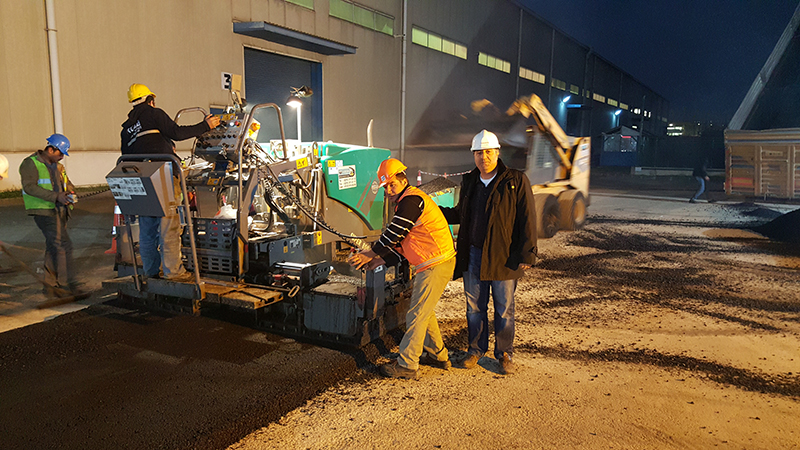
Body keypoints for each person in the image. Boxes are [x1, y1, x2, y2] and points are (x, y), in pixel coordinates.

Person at [439, 130, 537, 375]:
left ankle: (504, 354)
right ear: (473, 155)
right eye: (479, 153)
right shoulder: (470, 181)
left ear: (497, 152)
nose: (484, 157)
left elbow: (527, 217)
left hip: (504, 256)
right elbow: (461, 213)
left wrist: (527, 253)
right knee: (474, 307)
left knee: (504, 308)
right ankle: (475, 350)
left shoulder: (514, 180)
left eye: (488, 152)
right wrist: (431, 210)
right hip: (473, 254)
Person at [348, 158, 457, 379]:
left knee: (416, 314)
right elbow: (403, 244)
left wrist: (370, 253)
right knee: (424, 311)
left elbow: (394, 234)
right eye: (385, 187)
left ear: (403, 180)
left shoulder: (411, 201)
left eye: (392, 185)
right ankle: (438, 355)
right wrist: (379, 261)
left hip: (436, 263)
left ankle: (407, 364)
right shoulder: (408, 202)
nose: (388, 191)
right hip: (433, 262)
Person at [120, 83, 220, 280]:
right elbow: (177, 133)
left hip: (141, 179)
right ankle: (173, 272)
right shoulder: (154, 114)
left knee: (147, 230)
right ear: (150, 100)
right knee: (169, 226)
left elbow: (127, 156)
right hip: (161, 175)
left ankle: (150, 272)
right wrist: (205, 126)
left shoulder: (126, 128)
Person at [19, 134, 87, 298]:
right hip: (43, 210)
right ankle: (68, 284)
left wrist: (70, 193)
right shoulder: (30, 163)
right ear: (50, 149)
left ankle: (50, 285)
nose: (62, 157)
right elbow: (29, 187)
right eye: (60, 153)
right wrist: (56, 196)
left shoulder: (58, 167)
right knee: (63, 245)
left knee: (53, 246)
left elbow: (67, 184)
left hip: (59, 210)